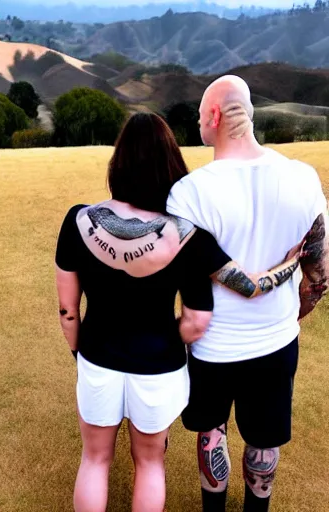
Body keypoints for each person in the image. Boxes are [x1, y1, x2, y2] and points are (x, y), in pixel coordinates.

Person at [55, 112, 300, 512]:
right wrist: (291, 265)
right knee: (150, 463)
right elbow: (216, 307)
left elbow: (68, 311)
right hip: (160, 365)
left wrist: (79, 352)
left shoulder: (78, 220)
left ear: (118, 162)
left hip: (98, 357)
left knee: (95, 460)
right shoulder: (188, 233)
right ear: (171, 163)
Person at [166, 75, 329, 512]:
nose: (200, 123)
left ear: (214, 117)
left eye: (201, 116)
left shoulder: (188, 194)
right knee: (264, 438)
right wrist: (291, 315)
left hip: (213, 346)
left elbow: (211, 272)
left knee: (212, 432)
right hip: (276, 341)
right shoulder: (303, 178)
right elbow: (320, 274)